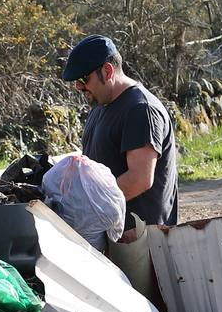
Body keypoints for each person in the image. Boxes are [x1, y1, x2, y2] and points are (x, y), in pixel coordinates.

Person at [60, 34, 179, 229]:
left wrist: (87, 208)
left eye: (83, 79)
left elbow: (139, 179)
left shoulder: (141, 109)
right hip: (112, 233)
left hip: (141, 241)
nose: (78, 87)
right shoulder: (100, 106)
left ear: (107, 71)